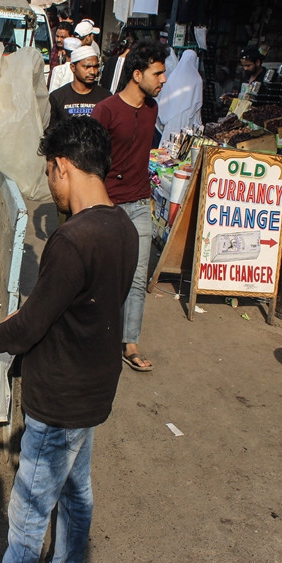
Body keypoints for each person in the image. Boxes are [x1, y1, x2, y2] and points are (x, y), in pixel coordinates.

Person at [0, 116, 137, 563]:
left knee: (28, 515)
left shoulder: (73, 238)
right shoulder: (124, 227)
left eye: (49, 173)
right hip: (93, 392)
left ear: (63, 166)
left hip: (59, 399)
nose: (51, 186)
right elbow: (81, 308)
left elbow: (27, 329)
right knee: (76, 495)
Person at [90, 38, 168, 373]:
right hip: (107, 205)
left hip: (139, 204)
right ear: (137, 74)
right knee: (102, 278)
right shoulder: (105, 110)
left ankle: (130, 343)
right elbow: (90, 160)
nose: (163, 79)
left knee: (137, 278)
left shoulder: (152, 109)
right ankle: (94, 340)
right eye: (157, 73)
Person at [48, 46, 109, 126]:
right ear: (73, 67)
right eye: (87, 67)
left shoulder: (106, 97)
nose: (93, 72)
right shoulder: (57, 97)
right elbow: (51, 130)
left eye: (95, 67)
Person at [155, 49, 203, 146]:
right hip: (188, 120)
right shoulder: (197, 79)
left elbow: (165, 98)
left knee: (168, 147)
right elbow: (197, 104)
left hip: (172, 118)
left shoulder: (173, 76)